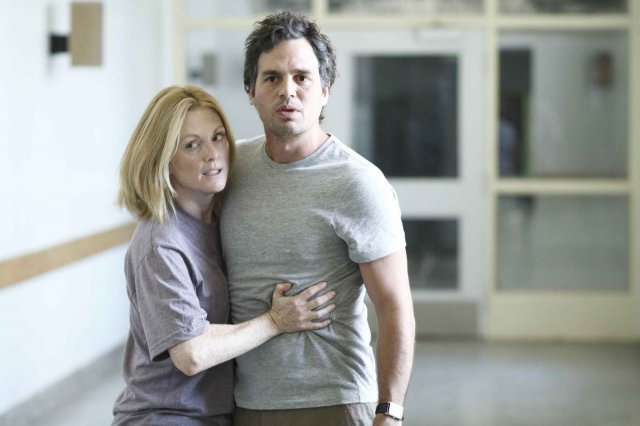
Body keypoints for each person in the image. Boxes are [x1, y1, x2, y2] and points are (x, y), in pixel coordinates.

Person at [220, 11, 416, 426]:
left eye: (302, 78)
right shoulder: (230, 170)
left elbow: (394, 307)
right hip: (245, 403)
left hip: (335, 401)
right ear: (250, 90)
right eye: (272, 78)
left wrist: (390, 412)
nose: (287, 91)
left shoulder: (357, 182)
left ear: (325, 90)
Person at [112, 85, 336, 426]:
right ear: (163, 160)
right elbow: (190, 353)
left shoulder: (219, 221)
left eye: (217, 138)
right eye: (192, 145)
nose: (212, 154)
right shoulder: (161, 243)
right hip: (165, 417)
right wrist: (276, 321)